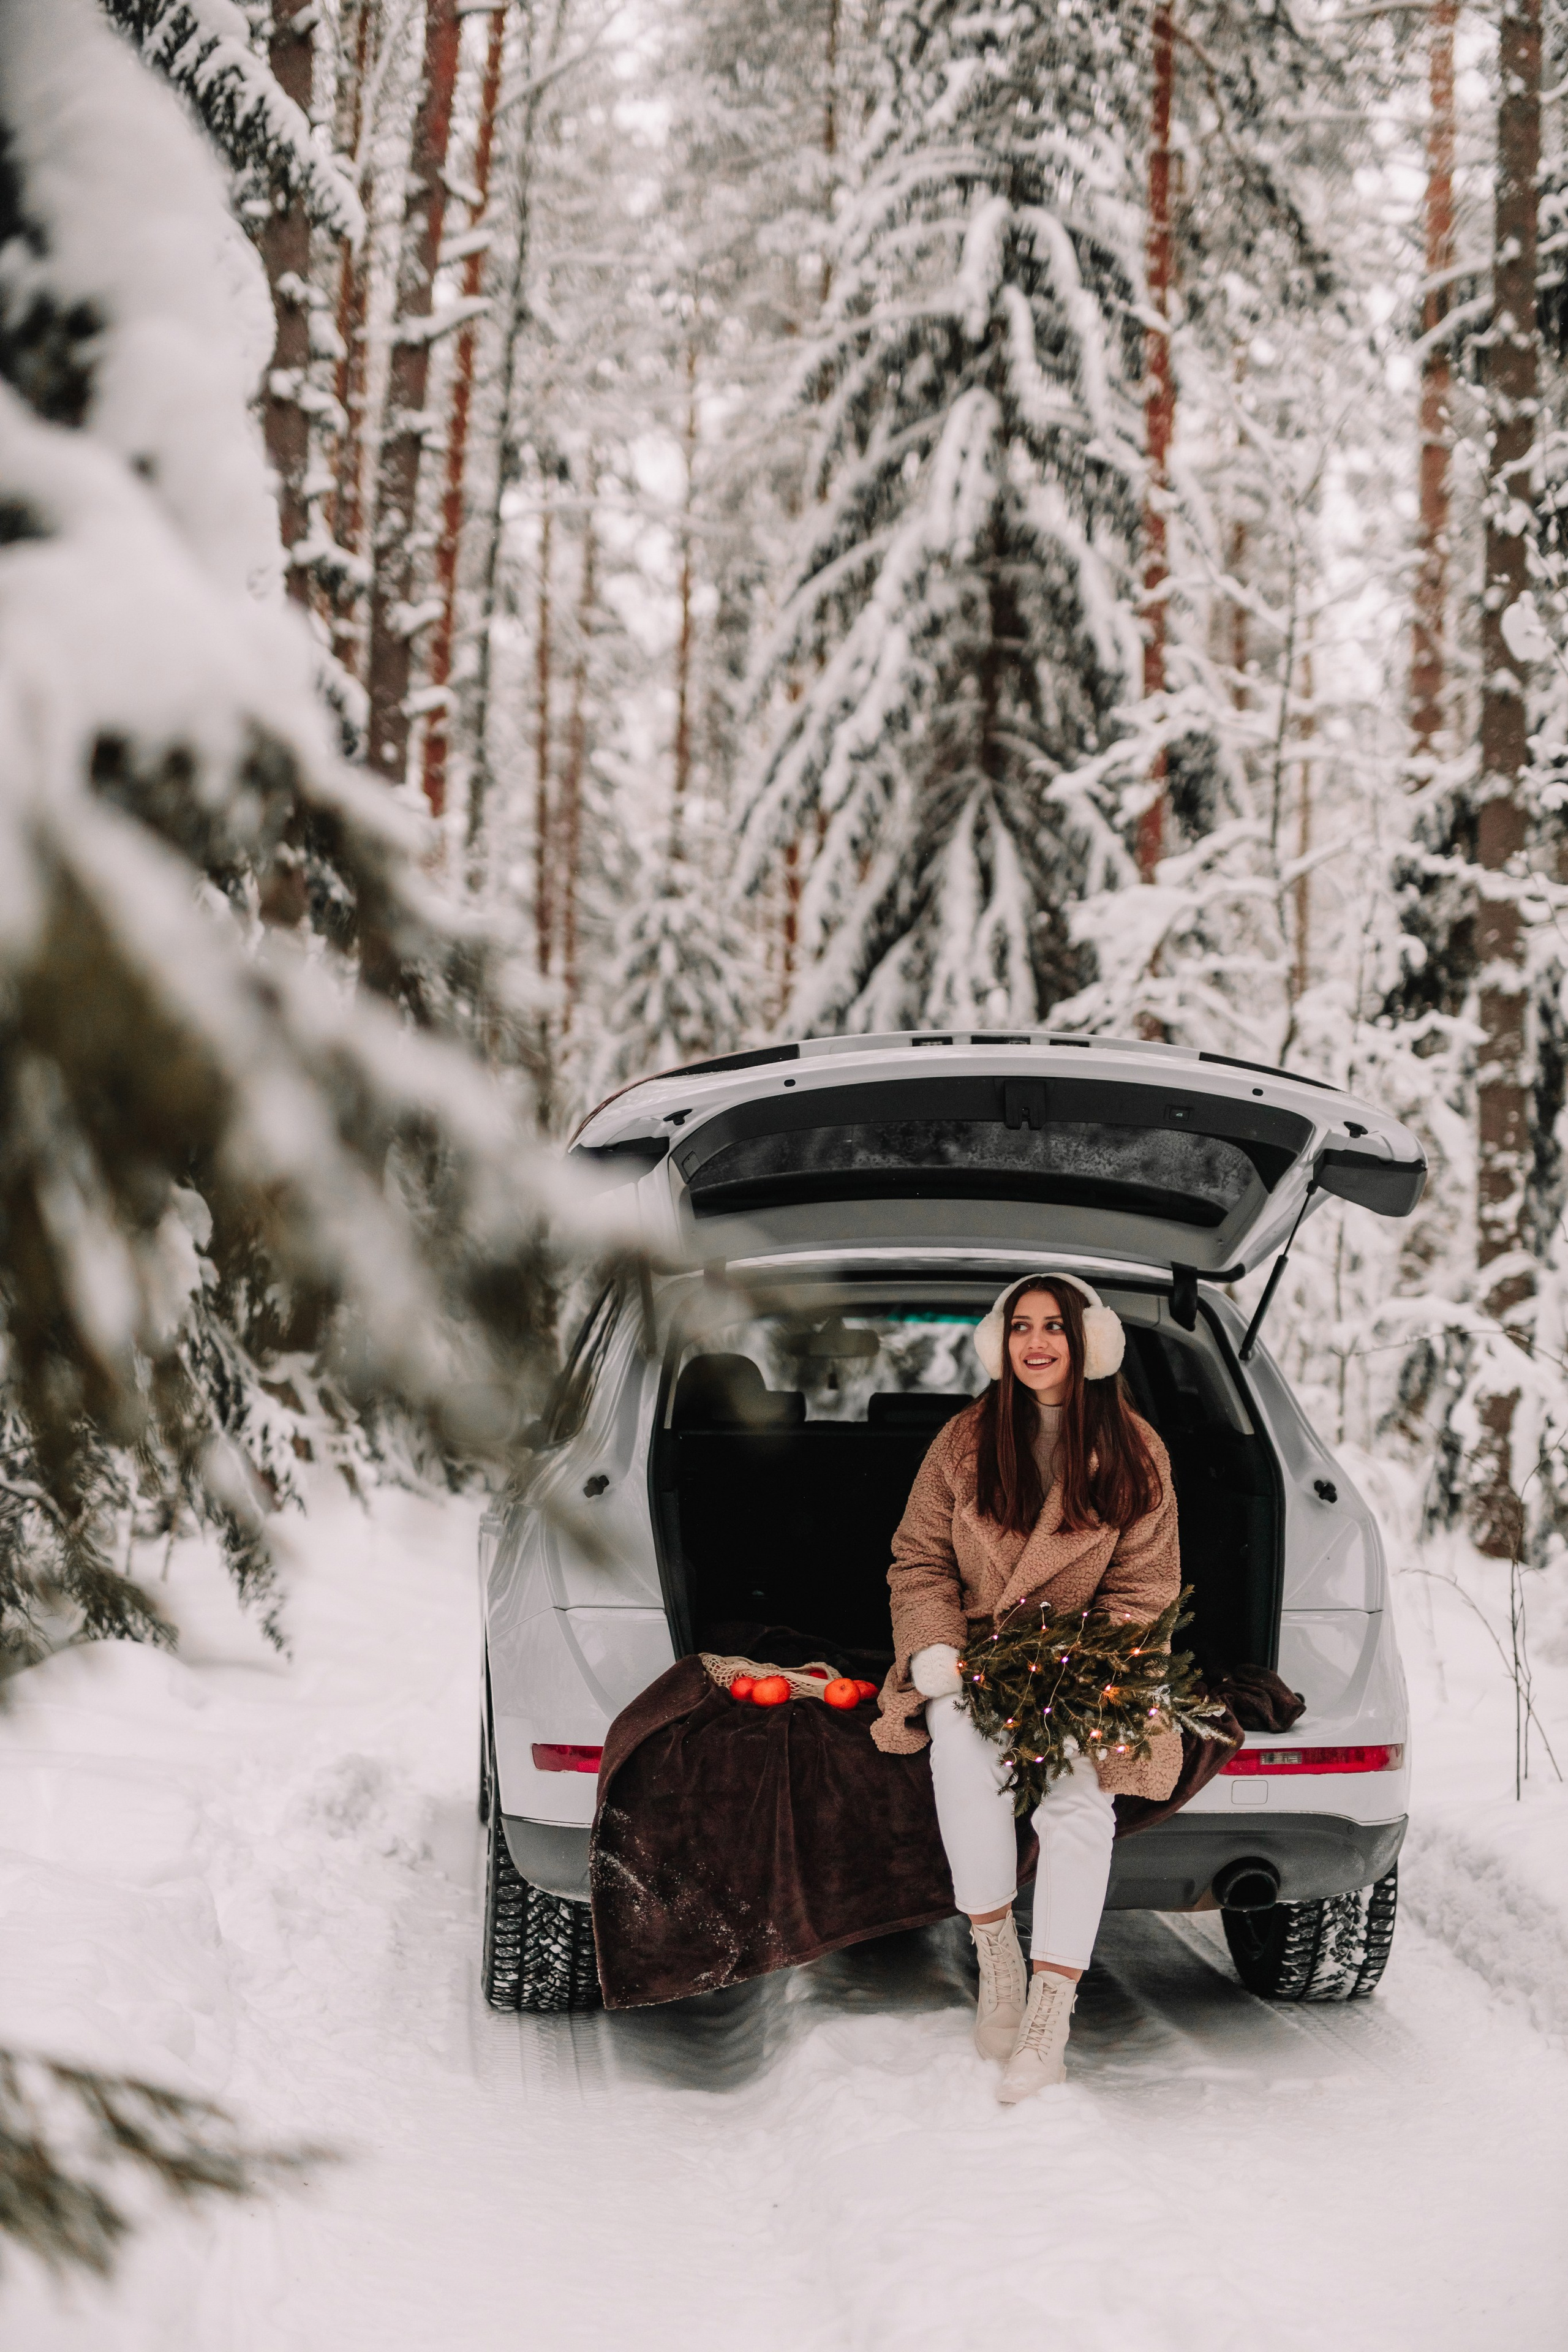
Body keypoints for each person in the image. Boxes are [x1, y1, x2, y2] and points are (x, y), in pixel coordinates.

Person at [870, 1272, 1182, 2104]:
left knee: (1078, 1799)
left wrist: (1088, 1671)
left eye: (1056, 1327)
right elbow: (921, 1560)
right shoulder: (963, 1443)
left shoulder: (1136, 1451)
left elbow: (1145, 1592)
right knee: (961, 1756)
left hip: (1083, 1668)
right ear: (999, 1343)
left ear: (1093, 1343)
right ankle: (996, 1954)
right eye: (1021, 1327)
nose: (1037, 1342)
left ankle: (1050, 2009)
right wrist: (935, 1650)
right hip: (975, 1654)